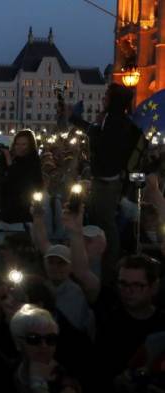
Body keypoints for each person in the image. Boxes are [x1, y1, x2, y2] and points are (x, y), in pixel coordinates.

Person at [70, 83, 142, 282]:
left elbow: (103, 144)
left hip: (107, 181)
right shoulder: (112, 119)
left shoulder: (115, 121)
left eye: (106, 96)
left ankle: (109, 266)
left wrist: (90, 126)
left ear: (114, 100)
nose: (103, 99)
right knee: (102, 221)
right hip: (106, 179)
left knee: (106, 223)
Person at [96, 255, 165, 389]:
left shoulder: (162, 324)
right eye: (123, 283)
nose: (129, 290)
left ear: (154, 287)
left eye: (138, 285)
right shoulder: (109, 322)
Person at [10, 304, 81, 393]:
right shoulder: (10, 371)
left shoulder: (65, 380)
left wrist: (38, 383)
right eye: (34, 339)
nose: (44, 345)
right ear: (18, 342)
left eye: (50, 339)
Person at [0, 130, 44, 246]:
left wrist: (9, 161)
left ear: (30, 145)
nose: (20, 147)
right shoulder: (16, 160)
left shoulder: (33, 163)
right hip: (6, 214)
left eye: (24, 144)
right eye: (17, 144)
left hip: (21, 217)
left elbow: (20, 181)